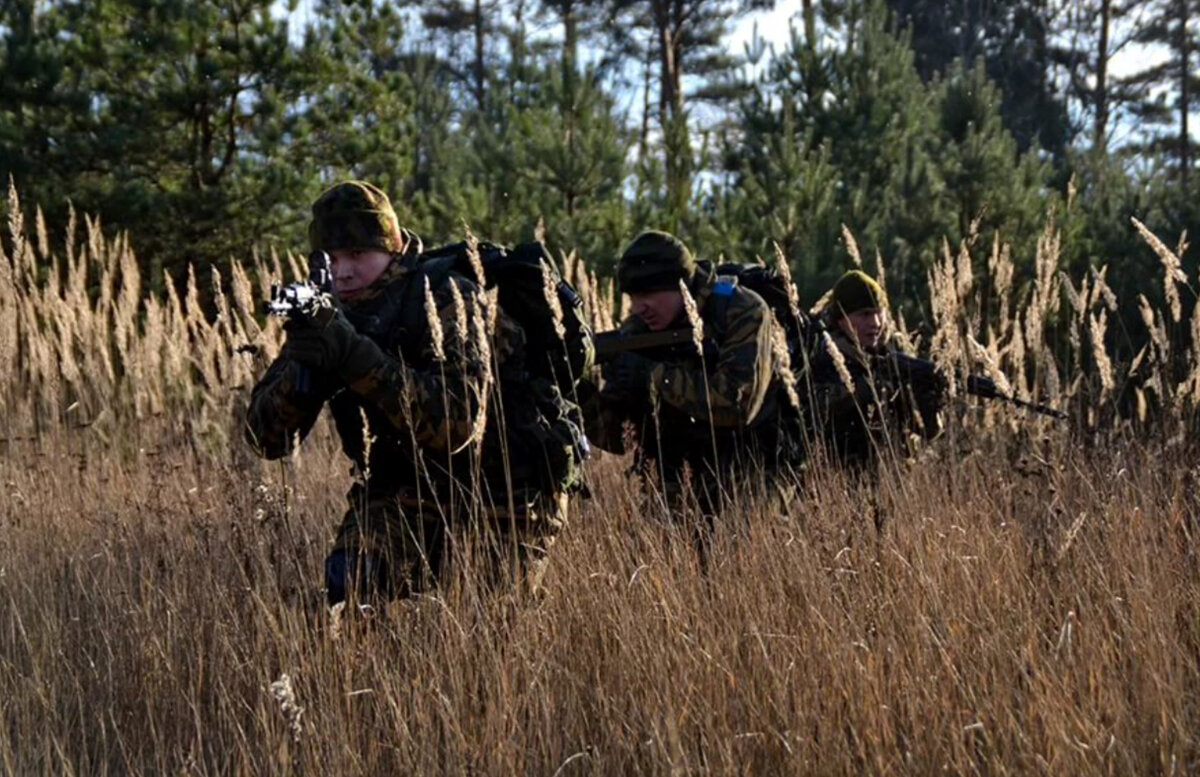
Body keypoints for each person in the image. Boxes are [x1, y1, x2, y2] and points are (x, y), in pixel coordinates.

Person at [245, 181, 572, 606]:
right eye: (333, 258)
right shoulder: (332, 314)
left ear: (393, 247)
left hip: (507, 495)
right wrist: (307, 363)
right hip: (405, 491)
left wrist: (353, 355)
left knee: (487, 636)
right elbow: (264, 439)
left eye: (358, 254)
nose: (343, 270)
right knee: (347, 594)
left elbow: (458, 423)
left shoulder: (446, 296)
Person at [581, 230, 797, 522]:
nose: (637, 307)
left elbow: (735, 404)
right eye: (632, 297)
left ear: (680, 285)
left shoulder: (741, 312)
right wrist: (580, 391)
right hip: (674, 483)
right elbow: (619, 439)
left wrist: (653, 376)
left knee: (739, 552)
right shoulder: (639, 331)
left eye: (647, 295)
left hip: (751, 476)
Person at [806, 270, 945, 467]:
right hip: (836, 480)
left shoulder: (889, 354)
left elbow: (927, 432)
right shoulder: (821, 354)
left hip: (890, 478)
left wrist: (926, 399)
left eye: (879, 312)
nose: (875, 323)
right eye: (864, 315)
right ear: (841, 318)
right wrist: (873, 389)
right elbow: (816, 410)